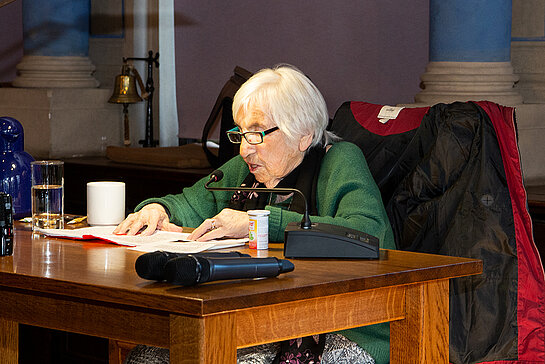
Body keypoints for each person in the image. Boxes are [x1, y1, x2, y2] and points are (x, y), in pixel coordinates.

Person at [115, 64, 395, 364]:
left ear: (303, 134)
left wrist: (257, 222)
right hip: (255, 317)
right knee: (149, 357)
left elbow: (370, 234)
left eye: (258, 133)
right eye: (241, 134)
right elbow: (189, 203)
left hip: (340, 323)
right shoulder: (245, 170)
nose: (245, 151)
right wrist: (158, 209)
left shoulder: (339, 161)